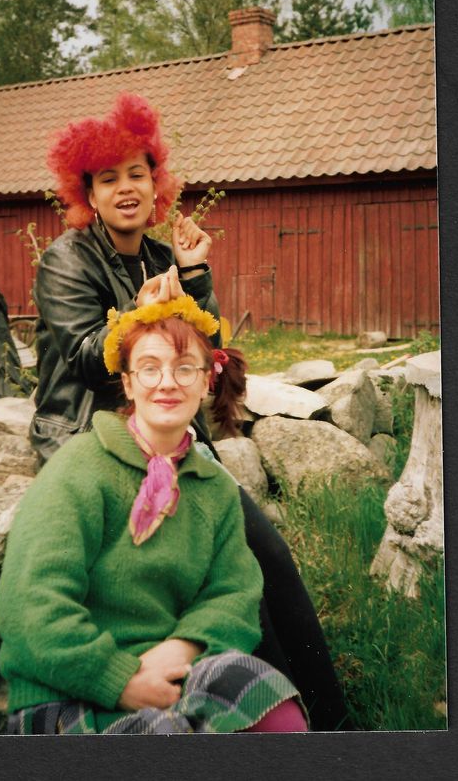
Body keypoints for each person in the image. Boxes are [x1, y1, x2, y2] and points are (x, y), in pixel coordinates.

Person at [28, 93, 352, 731]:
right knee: (216, 571)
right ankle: (257, 713)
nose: (126, 189)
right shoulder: (66, 260)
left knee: (268, 556)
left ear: (157, 184)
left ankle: (329, 721)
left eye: (137, 174)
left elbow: (203, 352)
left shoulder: (155, 255)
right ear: (86, 194)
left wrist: (193, 274)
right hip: (92, 435)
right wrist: (138, 316)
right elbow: (91, 360)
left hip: (167, 432)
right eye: (108, 179)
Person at [0, 301, 308, 734]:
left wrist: (182, 649)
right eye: (149, 368)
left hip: (173, 673)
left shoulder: (213, 488)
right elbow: (31, 608)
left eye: (184, 369)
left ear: (205, 383)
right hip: (69, 685)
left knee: (274, 709)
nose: (167, 383)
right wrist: (120, 679)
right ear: (127, 383)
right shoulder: (78, 470)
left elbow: (233, 593)